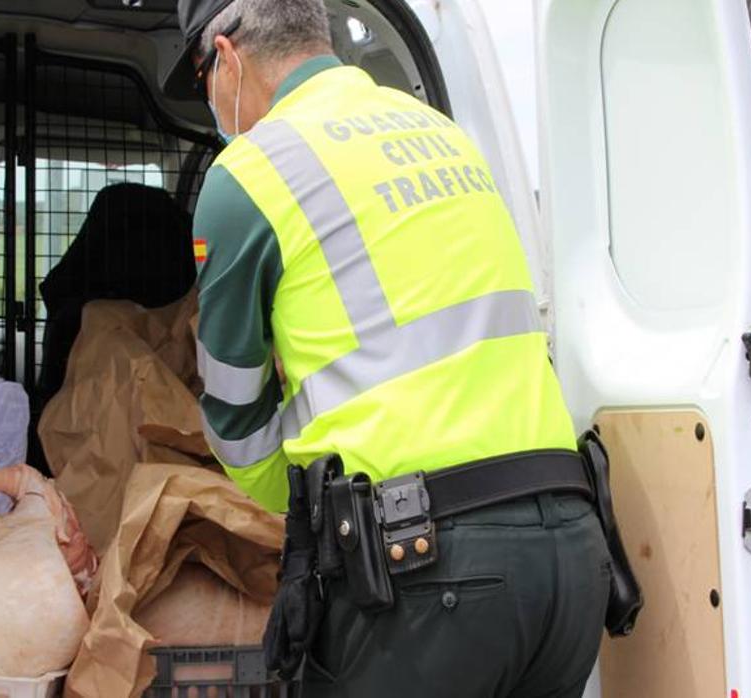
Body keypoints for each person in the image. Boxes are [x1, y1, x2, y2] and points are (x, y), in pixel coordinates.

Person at [162, 1, 612, 695]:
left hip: (426, 576)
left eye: (200, 78)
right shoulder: (446, 134)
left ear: (227, 55)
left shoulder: (249, 175)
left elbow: (238, 427)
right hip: (571, 556)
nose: (211, 99)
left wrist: (307, 500)